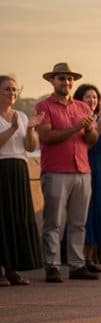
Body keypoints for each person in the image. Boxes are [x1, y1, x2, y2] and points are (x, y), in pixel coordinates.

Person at [35, 63, 100, 282]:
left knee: (78, 222)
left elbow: (92, 140)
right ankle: (52, 265)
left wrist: (89, 129)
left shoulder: (82, 107)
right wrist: (75, 127)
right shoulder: (44, 107)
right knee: (53, 222)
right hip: (55, 170)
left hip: (82, 170)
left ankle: (76, 264)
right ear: (52, 81)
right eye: (62, 78)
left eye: (70, 79)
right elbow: (46, 137)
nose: (67, 82)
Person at [0, 75, 43, 285]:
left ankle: (13, 269)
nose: (12, 93)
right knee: (2, 220)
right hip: (2, 169)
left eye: (15, 90)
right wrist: (11, 129)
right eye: (7, 89)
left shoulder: (22, 116)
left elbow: (30, 147)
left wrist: (29, 129)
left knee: (18, 219)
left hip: (19, 169)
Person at [73, 83, 101, 270]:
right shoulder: (80, 119)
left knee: (100, 210)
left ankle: (90, 258)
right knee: (85, 213)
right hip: (85, 166)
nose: (92, 100)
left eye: (95, 97)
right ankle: (80, 258)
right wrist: (99, 125)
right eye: (88, 97)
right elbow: (88, 144)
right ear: (80, 100)